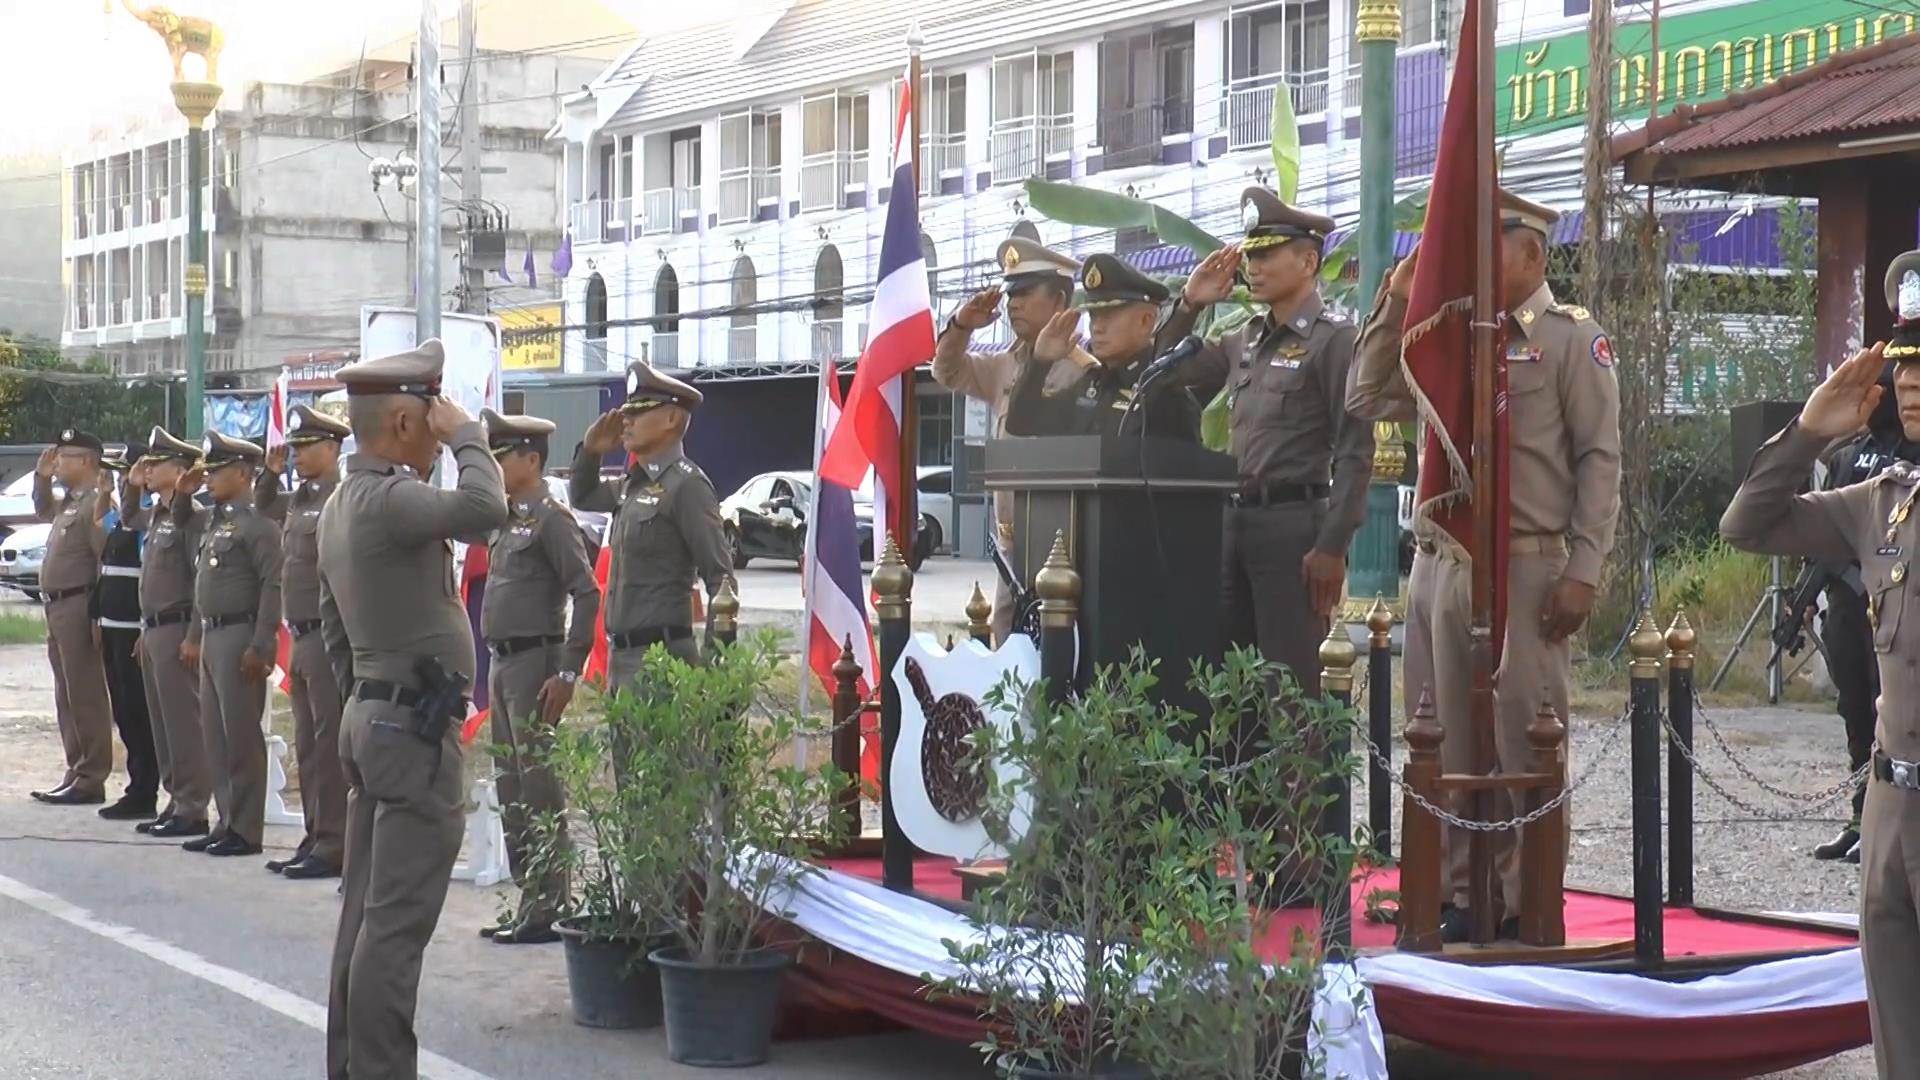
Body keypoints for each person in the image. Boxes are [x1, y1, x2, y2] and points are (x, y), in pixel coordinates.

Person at [1347, 189, 1622, 941]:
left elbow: (1601, 458)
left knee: (1520, 743)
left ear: (1531, 251)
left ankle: (1521, 901)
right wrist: (1393, 300)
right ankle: (1454, 896)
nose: (1469, 258)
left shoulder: (1571, 339)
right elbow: (1367, 396)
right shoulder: (1450, 334)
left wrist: (1584, 568)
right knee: (1439, 740)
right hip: (1440, 562)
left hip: (1527, 563)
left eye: (1487, 241)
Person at [316, 339, 506, 1080]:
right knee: (393, 931)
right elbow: (486, 509)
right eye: (430, 416)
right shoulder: (391, 496)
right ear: (402, 421)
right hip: (408, 730)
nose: (438, 431)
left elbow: (333, 631)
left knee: (363, 918)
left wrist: (368, 699)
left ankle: (352, 1068)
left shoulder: (341, 503)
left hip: (374, 718)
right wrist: (470, 437)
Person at [1164, 187, 1374, 694]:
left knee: (1291, 687)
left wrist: (1332, 545)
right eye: (1250, 255)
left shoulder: (1334, 339)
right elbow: (1166, 370)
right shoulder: (1245, 339)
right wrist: (1190, 303)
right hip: (1234, 523)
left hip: (1293, 530)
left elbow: (1354, 450)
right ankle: (1242, 777)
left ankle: (1303, 780)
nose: (1253, 267)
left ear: (1307, 260)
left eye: (1266, 254)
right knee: (1230, 687)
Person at [931, 237, 1098, 640]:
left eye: (1024, 293)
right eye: (1010, 295)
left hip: (1063, 544)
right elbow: (946, 371)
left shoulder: (1085, 369)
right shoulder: (1006, 364)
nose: (1012, 304)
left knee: (1059, 657)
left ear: (1059, 301)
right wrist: (961, 325)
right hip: (1010, 547)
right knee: (1007, 656)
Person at [477, 408, 601, 945]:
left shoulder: (551, 518)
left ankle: (552, 901)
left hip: (536, 663)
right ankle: (531, 899)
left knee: (539, 786)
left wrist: (569, 670)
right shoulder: (505, 520)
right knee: (512, 786)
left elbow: (588, 591)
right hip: (503, 663)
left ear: (531, 459)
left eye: (503, 455)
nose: (496, 463)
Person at [570, 362, 730, 690]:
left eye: (639, 412)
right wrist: (590, 452)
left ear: (671, 419)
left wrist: (715, 675)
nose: (626, 420)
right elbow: (583, 496)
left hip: (662, 663)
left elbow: (722, 581)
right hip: (621, 659)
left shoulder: (687, 486)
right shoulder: (633, 484)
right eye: (627, 411)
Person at [1812, 374, 1911, 864]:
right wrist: (1805, 596)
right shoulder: (1848, 455)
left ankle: (1884, 820)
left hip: (1889, 599)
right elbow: (1824, 526)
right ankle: (1859, 816)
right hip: (1846, 604)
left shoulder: (1907, 455)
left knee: (1889, 711)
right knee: (1854, 710)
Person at [254, 405, 351, 880]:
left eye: (306, 447)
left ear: (332, 449)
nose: (297, 456)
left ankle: (335, 842)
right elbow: (264, 505)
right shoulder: (300, 500)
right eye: (294, 449)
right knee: (309, 745)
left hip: (329, 636)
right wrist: (269, 475)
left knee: (330, 744)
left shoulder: (341, 497)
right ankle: (315, 833)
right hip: (302, 635)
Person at [178, 430, 283, 858]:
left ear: (242, 473)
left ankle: (246, 829)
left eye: (218, 470)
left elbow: (273, 583)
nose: (209, 477)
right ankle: (226, 820)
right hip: (212, 633)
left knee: (241, 736)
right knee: (216, 738)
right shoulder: (213, 520)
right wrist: (183, 495)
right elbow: (181, 521)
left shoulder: (257, 524)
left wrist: (262, 643)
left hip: (240, 633)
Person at [123, 427, 213, 838]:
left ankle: (193, 806)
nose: (149, 468)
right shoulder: (158, 513)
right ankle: (175, 799)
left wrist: (195, 634)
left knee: (183, 723)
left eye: (158, 464)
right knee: (162, 724)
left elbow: (199, 582)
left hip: (179, 627)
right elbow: (127, 518)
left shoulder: (192, 516)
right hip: (155, 627)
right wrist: (131, 486)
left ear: (181, 471)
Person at [30, 428, 115, 805]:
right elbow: (41, 509)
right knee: (66, 693)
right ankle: (76, 768)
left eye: (65, 457)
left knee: (85, 694)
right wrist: (41, 479)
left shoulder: (95, 503)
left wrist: (98, 614)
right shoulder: (70, 502)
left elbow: (105, 561)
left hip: (80, 605)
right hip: (57, 606)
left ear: (86, 462)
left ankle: (92, 775)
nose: (58, 462)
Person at [1035, 253, 1201, 441]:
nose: (1097, 327)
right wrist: (1039, 363)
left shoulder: (1165, 396)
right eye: (1094, 316)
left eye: (1108, 316)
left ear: (1146, 321)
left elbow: (1184, 466)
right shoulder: (1091, 384)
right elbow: (1023, 423)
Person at [92, 448, 160, 822]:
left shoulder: (145, 514)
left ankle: (144, 789)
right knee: (124, 712)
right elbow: (101, 521)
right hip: (114, 628)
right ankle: (137, 787)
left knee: (138, 713)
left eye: (127, 471)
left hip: (134, 629)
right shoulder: (124, 516)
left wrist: (144, 627)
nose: (122, 478)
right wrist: (104, 490)